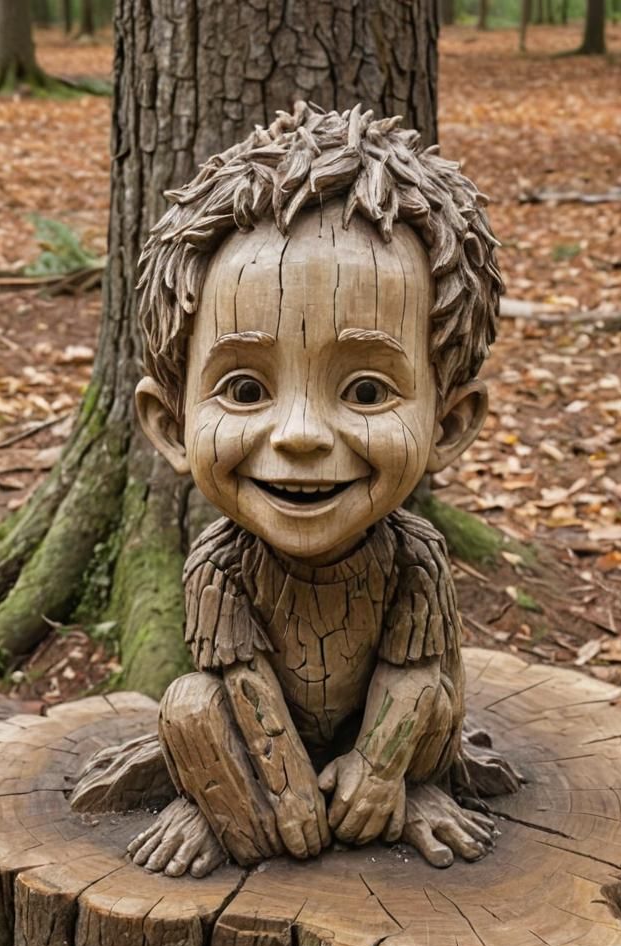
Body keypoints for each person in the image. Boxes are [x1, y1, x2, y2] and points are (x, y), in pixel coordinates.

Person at [129, 102, 508, 879]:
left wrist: (377, 770)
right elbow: (241, 686)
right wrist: (287, 794)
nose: (299, 433)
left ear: (448, 423)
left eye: (367, 393)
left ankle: (419, 791)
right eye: (243, 389)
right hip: (263, 750)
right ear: (171, 426)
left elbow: (409, 681)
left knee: (435, 693)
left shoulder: (416, 555)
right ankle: (214, 804)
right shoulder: (218, 563)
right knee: (191, 709)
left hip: (390, 746)